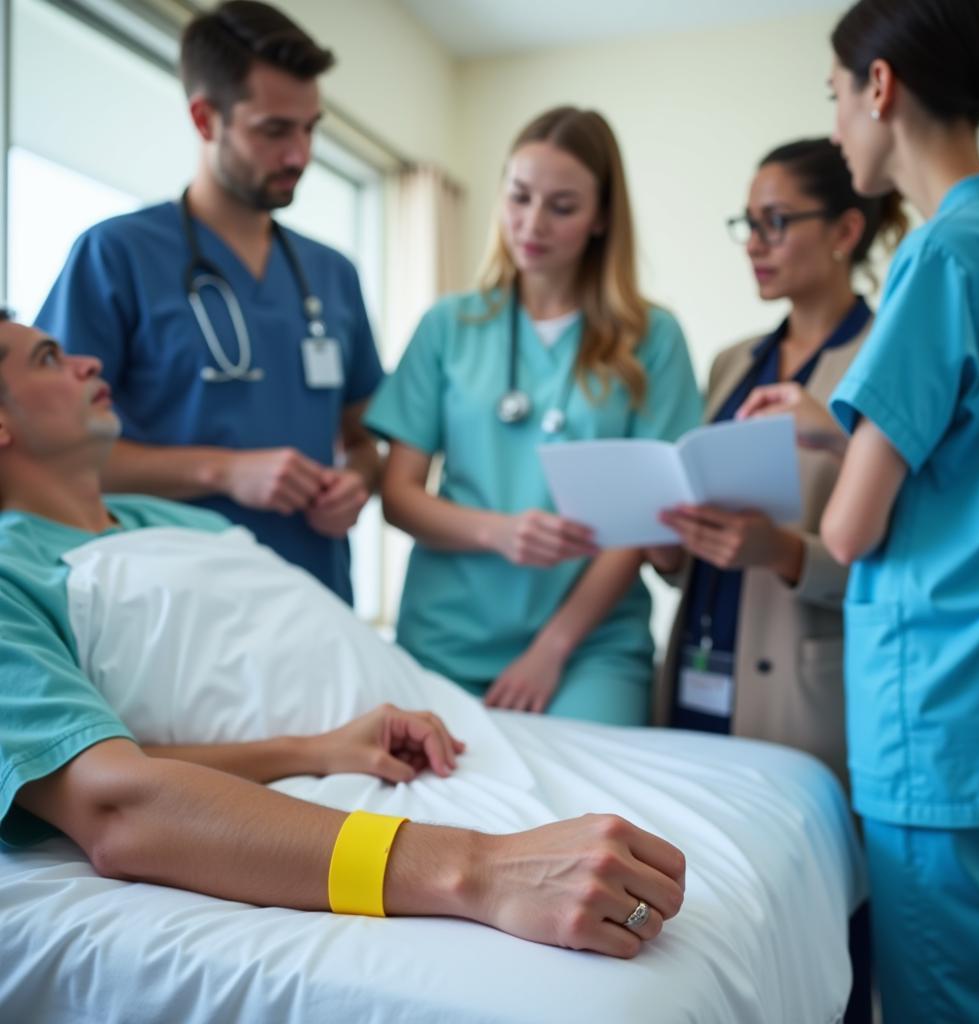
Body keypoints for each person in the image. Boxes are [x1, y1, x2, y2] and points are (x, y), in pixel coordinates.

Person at [0, 313, 686, 957]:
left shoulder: (179, 521)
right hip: (385, 796)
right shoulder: (12, 577)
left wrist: (319, 747)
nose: (88, 360)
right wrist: (479, 868)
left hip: (433, 733)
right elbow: (116, 804)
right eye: (49, 358)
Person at [738, 1, 979, 1019]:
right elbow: (976, 455)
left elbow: (853, 530)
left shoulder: (939, 255)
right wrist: (833, 422)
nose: (834, 130)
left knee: (946, 998)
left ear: (880, 87)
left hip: (934, 701)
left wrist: (835, 452)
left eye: (833, 98)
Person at [34, 1, 382, 604]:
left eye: (309, 128)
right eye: (274, 130)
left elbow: (363, 441)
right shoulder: (116, 255)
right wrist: (223, 470)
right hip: (173, 604)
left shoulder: (333, 274)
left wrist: (357, 482)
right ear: (204, 118)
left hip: (315, 599)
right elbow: (49, 455)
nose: (300, 154)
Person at [365, 106, 701, 725]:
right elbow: (398, 498)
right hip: (446, 636)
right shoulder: (448, 327)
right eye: (518, 198)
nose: (532, 224)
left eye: (563, 207)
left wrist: (552, 649)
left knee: (587, 808)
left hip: (587, 645)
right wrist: (499, 531)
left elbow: (648, 518)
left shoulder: (653, 338)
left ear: (602, 217)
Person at [648, 137, 904, 788]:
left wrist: (784, 553)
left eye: (776, 222)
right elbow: (710, 535)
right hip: (698, 659)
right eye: (749, 224)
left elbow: (912, 549)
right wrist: (667, 539)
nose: (754, 244)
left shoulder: (887, 361)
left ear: (846, 230)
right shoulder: (732, 363)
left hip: (801, 688)